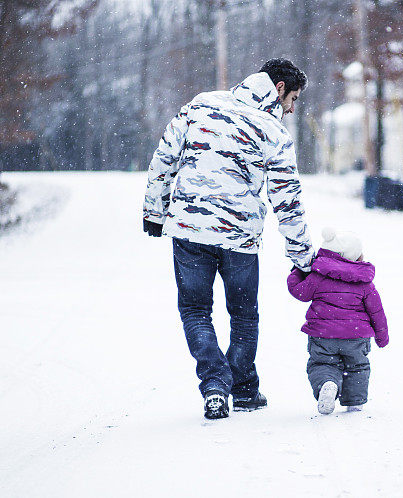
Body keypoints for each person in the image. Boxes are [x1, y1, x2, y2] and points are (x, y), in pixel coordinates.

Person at [142, 58, 314, 419]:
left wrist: (154, 211)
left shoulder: (201, 103)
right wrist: (301, 254)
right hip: (240, 237)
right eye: (293, 99)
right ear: (278, 89)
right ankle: (244, 389)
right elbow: (287, 198)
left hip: (189, 229)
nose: (293, 108)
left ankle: (215, 385)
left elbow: (164, 158)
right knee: (243, 315)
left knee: (194, 310)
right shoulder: (273, 131)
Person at [287, 228, 389, 415]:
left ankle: (327, 383)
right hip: (356, 336)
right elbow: (377, 312)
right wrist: (382, 336)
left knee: (322, 364)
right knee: (358, 366)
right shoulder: (364, 282)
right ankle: (355, 401)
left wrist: (297, 271)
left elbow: (300, 292)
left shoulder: (318, 276)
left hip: (323, 335)